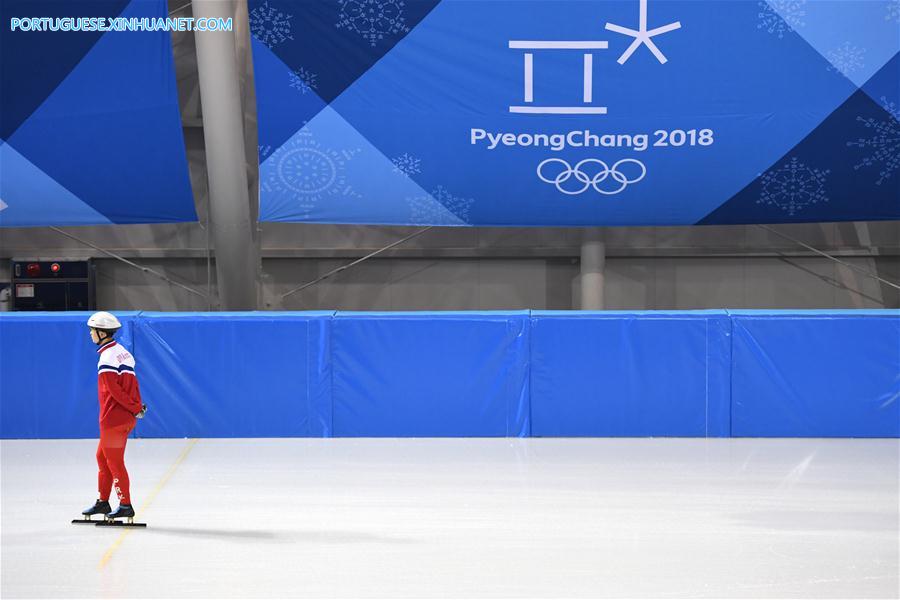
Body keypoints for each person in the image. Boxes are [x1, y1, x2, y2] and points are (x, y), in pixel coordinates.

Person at [80, 312, 147, 522]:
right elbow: (132, 385)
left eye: (92, 330)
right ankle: (103, 502)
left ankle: (125, 505)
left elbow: (114, 391)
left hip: (114, 419)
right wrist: (136, 406)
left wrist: (135, 407)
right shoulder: (123, 353)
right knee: (102, 457)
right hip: (122, 417)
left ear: (101, 333)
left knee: (114, 462)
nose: (90, 334)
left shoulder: (107, 357)